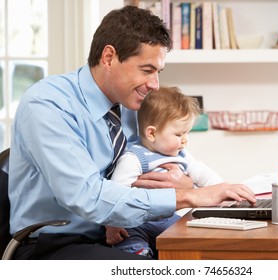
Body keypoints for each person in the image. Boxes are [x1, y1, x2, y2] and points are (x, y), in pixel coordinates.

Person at [8, 5, 256, 260]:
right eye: (146, 70)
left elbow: (174, 160)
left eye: (158, 72)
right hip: (56, 242)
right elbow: (87, 197)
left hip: (129, 230)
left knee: (223, 254)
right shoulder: (48, 104)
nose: (155, 85)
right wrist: (187, 196)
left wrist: (187, 184)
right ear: (108, 58)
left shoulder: (136, 105)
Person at [106, 86, 225, 258]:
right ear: (152, 133)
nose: (185, 140)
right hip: (134, 222)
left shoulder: (182, 155)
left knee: (190, 233)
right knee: (130, 241)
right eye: (178, 134)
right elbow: (116, 192)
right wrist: (112, 225)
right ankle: (140, 255)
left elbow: (203, 173)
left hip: (166, 219)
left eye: (187, 133)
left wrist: (224, 191)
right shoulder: (134, 157)